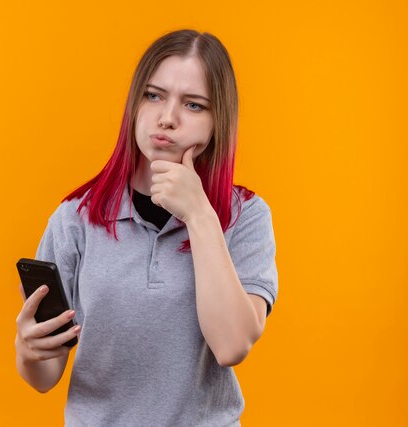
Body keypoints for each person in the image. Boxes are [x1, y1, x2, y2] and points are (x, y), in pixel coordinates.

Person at [15, 29, 279, 426]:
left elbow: (231, 346)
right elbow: (45, 377)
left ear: (217, 121)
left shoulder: (246, 217)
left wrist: (200, 216)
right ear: (134, 104)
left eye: (193, 105)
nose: (167, 118)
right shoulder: (75, 219)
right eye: (153, 95)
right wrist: (29, 351)